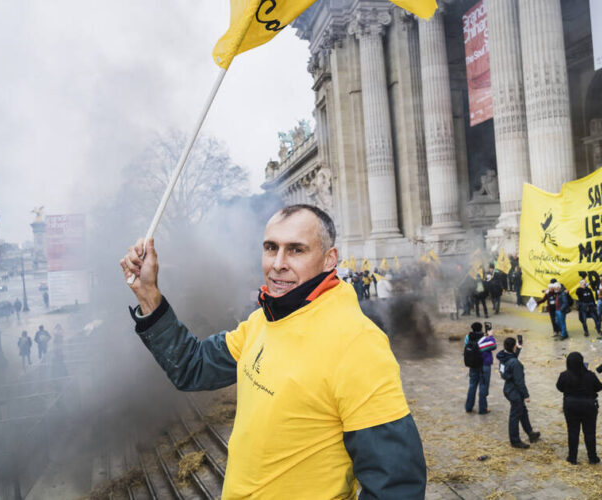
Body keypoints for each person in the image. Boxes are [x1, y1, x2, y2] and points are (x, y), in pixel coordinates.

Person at [120, 204, 425, 498]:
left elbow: (396, 482)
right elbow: (192, 366)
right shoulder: (260, 322)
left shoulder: (358, 343)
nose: (278, 263)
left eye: (296, 249)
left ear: (330, 258)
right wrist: (148, 294)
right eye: (270, 247)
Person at [556, 352, 602, 465]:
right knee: (590, 432)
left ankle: (572, 457)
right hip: (589, 406)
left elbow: (559, 387)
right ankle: (592, 457)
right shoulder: (590, 375)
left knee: (572, 432)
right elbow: (599, 387)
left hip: (570, 406)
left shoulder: (564, 375)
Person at [496, 337, 540, 449]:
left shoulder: (503, 357)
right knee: (515, 415)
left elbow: (511, 359)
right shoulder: (515, 364)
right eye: (515, 346)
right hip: (515, 391)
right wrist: (526, 395)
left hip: (508, 388)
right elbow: (519, 381)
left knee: (522, 411)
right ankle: (515, 440)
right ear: (513, 347)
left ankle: (530, 433)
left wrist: (518, 349)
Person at [464, 322, 496, 414]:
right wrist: (490, 336)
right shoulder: (485, 338)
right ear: (481, 328)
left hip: (473, 364)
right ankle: (482, 408)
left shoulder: (467, 337)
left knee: (472, 385)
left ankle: (468, 407)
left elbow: (466, 347)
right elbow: (493, 346)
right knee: (483, 386)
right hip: (484, 365)